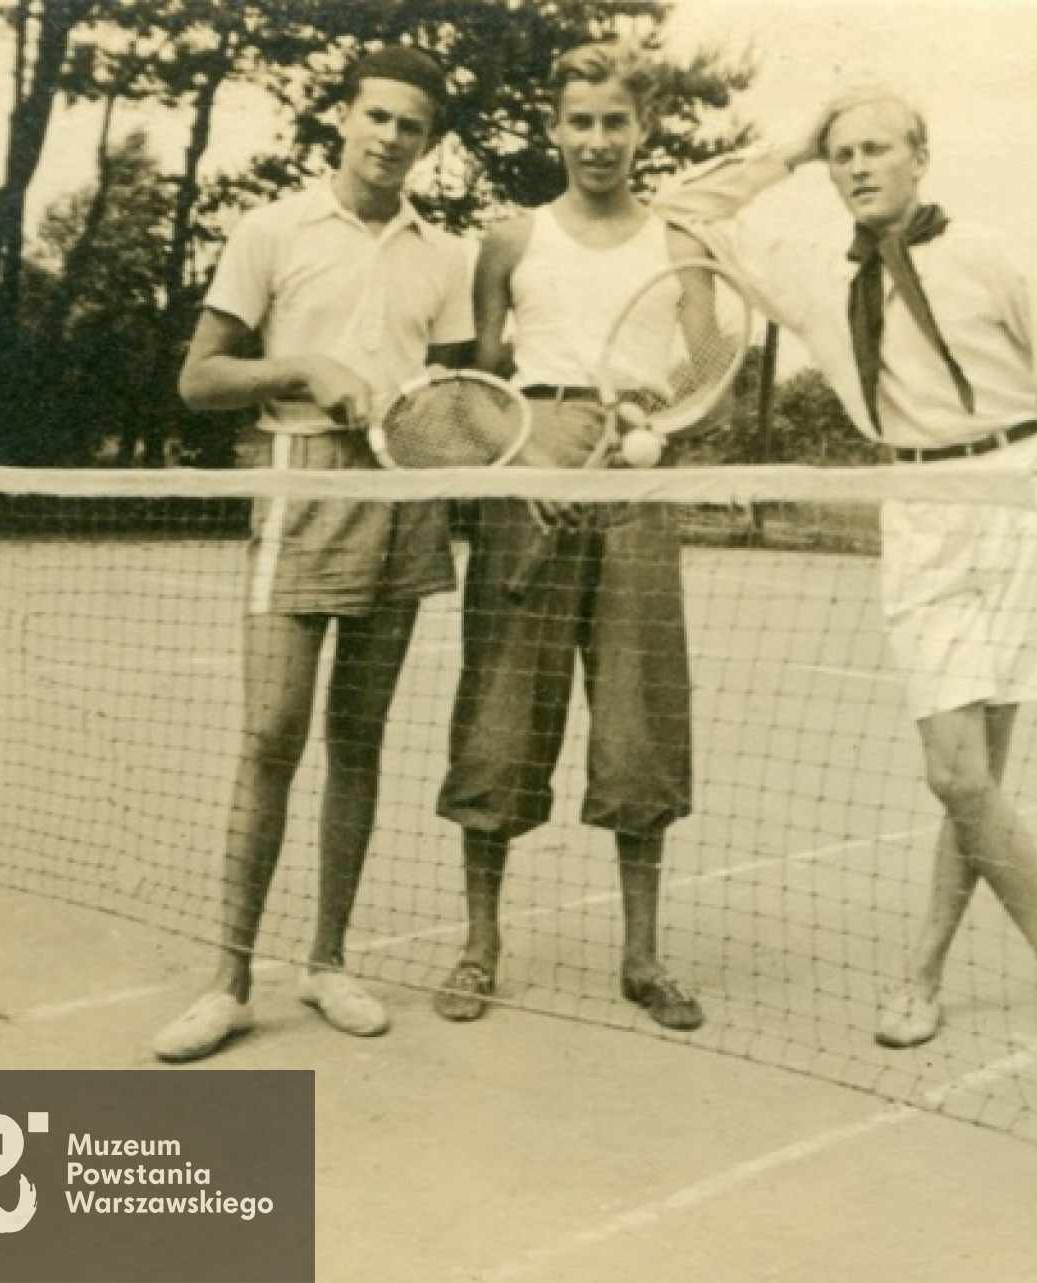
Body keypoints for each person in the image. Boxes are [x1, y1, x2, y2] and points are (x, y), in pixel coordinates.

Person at [654, 88, 1037, 1054]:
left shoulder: (989, 255)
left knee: (978, 778)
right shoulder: (811, 275)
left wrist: (1023, 472)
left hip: (1021, 497)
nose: (858, 167)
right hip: (918, 512)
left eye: (877, 149)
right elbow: (685, 206)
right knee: (957, 774)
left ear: (922, 156)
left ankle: (919, 976)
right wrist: (788, 146)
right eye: (841, 154)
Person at [152, 46, 474, 1062]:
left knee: (360, 739)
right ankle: (229, 979)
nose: (389, 138)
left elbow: (455, 401)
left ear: (429, 143)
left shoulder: (444, 258)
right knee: (271, 735)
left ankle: (329, 960)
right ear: (343, 116)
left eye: (410, 126)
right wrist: (303, 366)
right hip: (298, 487)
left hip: (402, 501)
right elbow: (200, 380)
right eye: (375, 116)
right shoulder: (272, 228)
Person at [431, 43, 706, 1032]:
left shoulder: (679, 244)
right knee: (500, 717)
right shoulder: (508, 242)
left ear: (643, 131)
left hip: (635, 495)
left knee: (639, 725)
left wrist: (658, 413)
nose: (597, 140)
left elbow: (710, 375)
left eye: (615, 122)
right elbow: (472, 388)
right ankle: (479, 946)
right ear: (555, 129)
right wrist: (521, 456)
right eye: (579, 121)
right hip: (527, 496)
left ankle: (642, 955)